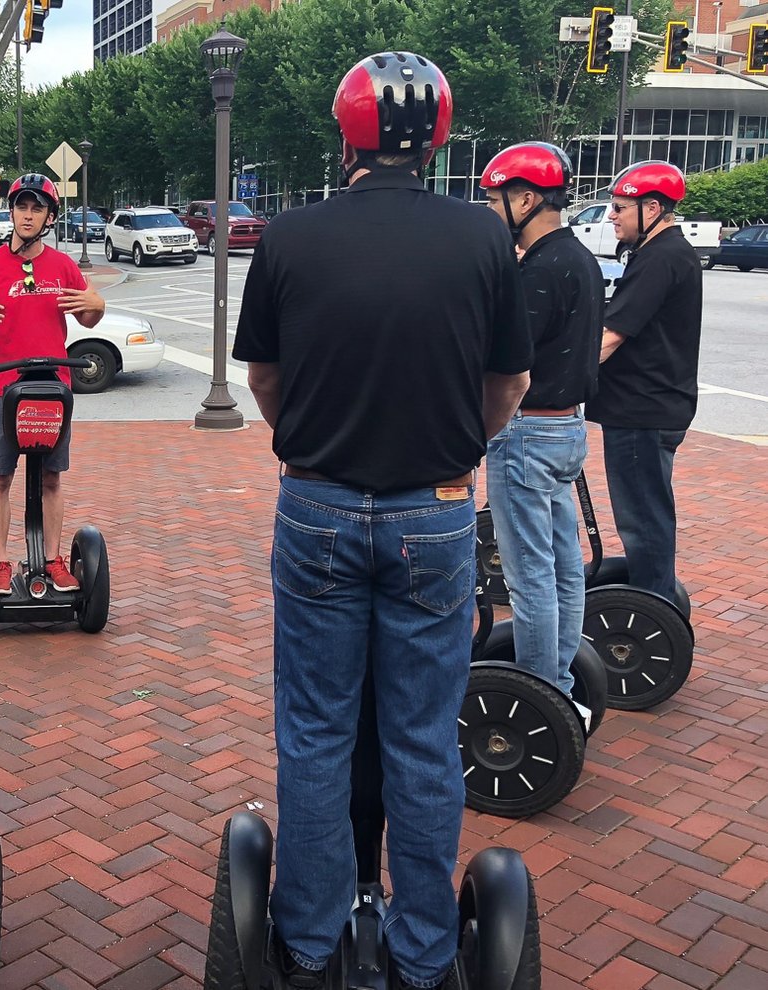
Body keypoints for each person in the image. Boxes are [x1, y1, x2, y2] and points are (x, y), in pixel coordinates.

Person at [232, 53, 532, 990]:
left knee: (316, 729)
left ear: (347, 132)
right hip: (436, 513)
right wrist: (449, 452)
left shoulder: (289, 236)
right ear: (437, 135)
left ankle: (313, 946)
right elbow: (509, 384)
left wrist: (323, 446)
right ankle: (422, 950)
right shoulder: (484, 239)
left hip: (316, 502)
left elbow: (265, 382)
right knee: (422, 734)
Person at [0, 173, 105, 597]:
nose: (27, 216)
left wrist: (97, 305)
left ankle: (53, 559)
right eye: (21, 207)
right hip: (3, 390)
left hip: (53, 390)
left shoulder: (63, 265)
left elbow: (87, 317)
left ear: (49, 217)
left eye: (37, 209)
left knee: (51, 478)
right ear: (10, 211)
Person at [479, 143, 603, 702]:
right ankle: (564, 687)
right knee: (562, 568)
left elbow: (508, 363)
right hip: (566, 429)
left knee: (529, 579)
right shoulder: (579, 257)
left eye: (495, 198)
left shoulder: (541, 269)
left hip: (527, 433)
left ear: (526, 198)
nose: (490, 210)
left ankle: (541, 695)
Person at [585, 160, 701, 606]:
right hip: (649, 406)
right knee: (647, 514)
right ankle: (655, 594)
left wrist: (559, 379)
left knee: (643, 518)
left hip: (642, 410)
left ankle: (653, 606)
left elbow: (612, 336)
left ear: (651, 207)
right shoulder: (661, 253)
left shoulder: (661, 257)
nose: (611, 215)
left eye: (619, 207)